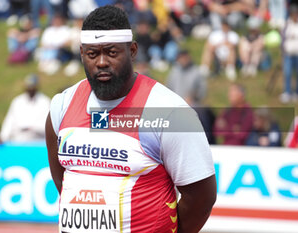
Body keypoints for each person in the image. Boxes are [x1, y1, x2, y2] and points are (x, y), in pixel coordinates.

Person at [46, 5, 216, 233]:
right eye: (92, 53)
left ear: (133, 51)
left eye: (112, 52)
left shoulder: (170, 111)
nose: (102, 62)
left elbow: (201, 198)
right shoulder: (62, 105)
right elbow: (63, 179)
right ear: (81, 53)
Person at [0, 74, 50, 142]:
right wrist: (3, 136)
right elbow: (10, 120)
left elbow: (48, 124)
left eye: (33, 87)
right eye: (29, 87)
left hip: (38, 140)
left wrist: (33, 128)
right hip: (19, 139)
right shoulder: (17, 101)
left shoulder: (45, 101)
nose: (31, 89)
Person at [280, 4, 298, 104]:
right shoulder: (286, 24)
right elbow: (282, 39)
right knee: (288, 73)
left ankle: (296, 92)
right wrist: (283, 50)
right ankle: (287, 92)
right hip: (288, 54)